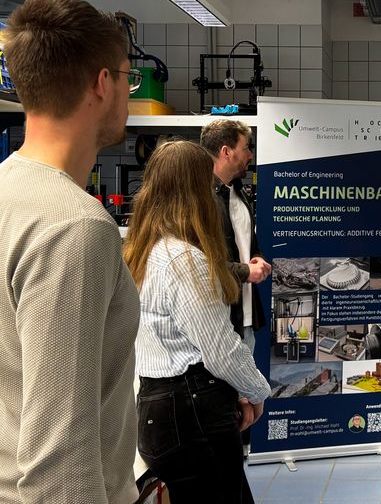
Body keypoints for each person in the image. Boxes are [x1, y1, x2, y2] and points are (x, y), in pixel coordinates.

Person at [0, 0, 140, 503]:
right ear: (103, 83)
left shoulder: (0, 186)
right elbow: (59, 467)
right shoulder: (75, 227)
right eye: (128, 78)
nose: (129, 93)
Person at [123, 140, 271, 503]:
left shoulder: (141, 251)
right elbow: (221, 350)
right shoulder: (184, 261)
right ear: (196, 193)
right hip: (193, 413)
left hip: (157, 406)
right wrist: (256, 392)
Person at [201, 119, 271, 455]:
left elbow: (247, 245)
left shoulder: (239, 194)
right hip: (219, 319)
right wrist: (246, 271)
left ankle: (237, 455)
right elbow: (202, 264)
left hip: (245, 316)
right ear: (226, 151)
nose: (251, 156)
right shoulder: (200, 200)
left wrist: (257, 260)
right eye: (246, 148)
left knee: (241, 404)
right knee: (223, 400)